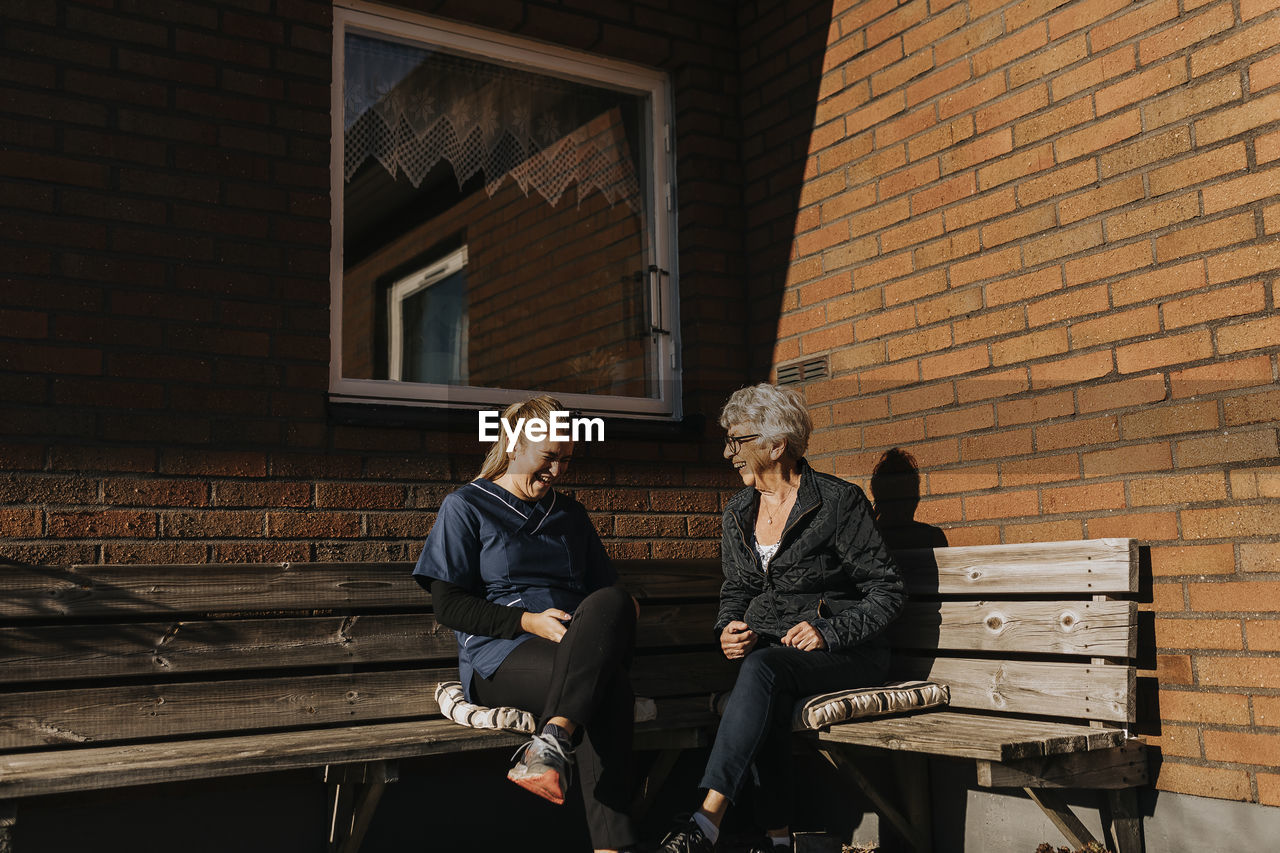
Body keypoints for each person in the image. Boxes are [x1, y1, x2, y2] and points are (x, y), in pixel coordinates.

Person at [658, 384, 906, 853]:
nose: (728, 452)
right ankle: (776, 839)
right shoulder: (738, 511)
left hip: (848, 654)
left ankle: (706, 819)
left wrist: (828, 631)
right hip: (775, 659)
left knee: (762, 673)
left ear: (776, 444)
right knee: (760, 684)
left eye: (738, 440)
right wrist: (728, 626)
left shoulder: (837, 502)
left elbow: (887, 591)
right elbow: (737, 588)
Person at [413, 395, 641, 853]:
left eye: (566, 460)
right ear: (515, 445)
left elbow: (610, 596)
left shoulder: (570, 515)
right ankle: (614, 847)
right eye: (549, 458)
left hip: (576, 647)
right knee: (609, 691)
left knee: (617, 601)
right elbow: (450, 606)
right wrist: (529, 622)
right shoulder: (466, 506)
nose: (557, 471)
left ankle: (552, 739)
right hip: (501, 655)